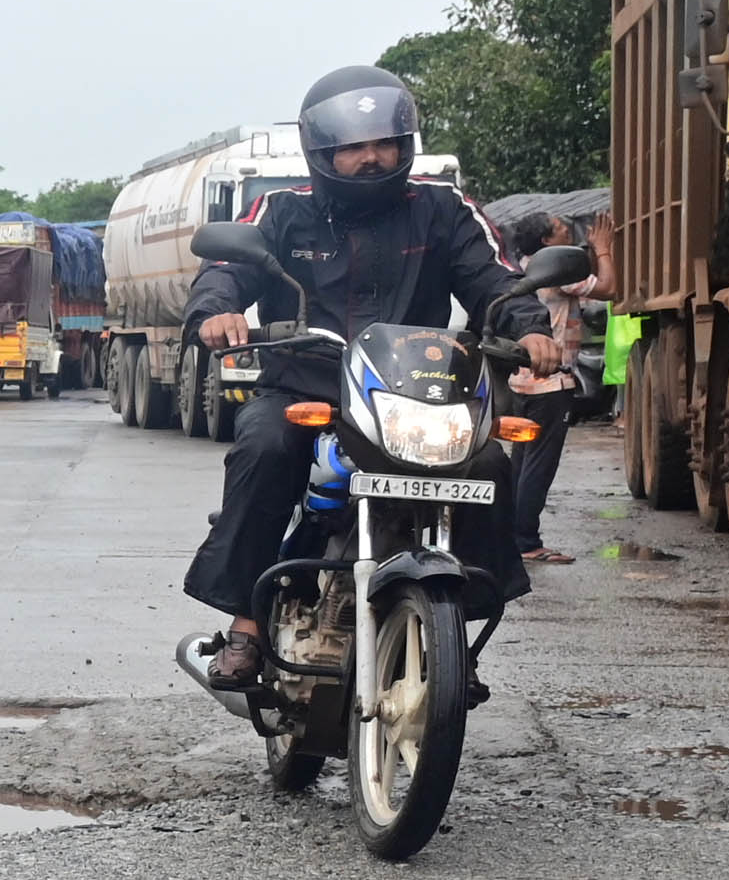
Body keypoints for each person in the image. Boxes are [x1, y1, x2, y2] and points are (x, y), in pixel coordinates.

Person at [184, 67, 566, 686]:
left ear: (404, 144)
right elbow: (229, 267)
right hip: (307, 385)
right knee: (264, 446)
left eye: (383, 143)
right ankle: (247, 624)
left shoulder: (442, 210)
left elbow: (495, 280)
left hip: (418, 392)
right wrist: (216, 311)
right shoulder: (283, 213)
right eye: (353, 146)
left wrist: (529, 328)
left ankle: (450, 635)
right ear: (322, 152)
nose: (371, 157)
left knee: (489, 463)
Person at [501, 207, 601, 566]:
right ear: (546, 241)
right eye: (560, 228)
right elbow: (610, 288)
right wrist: (603, 249)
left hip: (522, 380)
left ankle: (511, 536)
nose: (567, 231)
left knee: (522, 463)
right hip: (550, 380)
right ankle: (527, 541)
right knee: (539, 465)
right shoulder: (555, 270)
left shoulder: (521, 266)